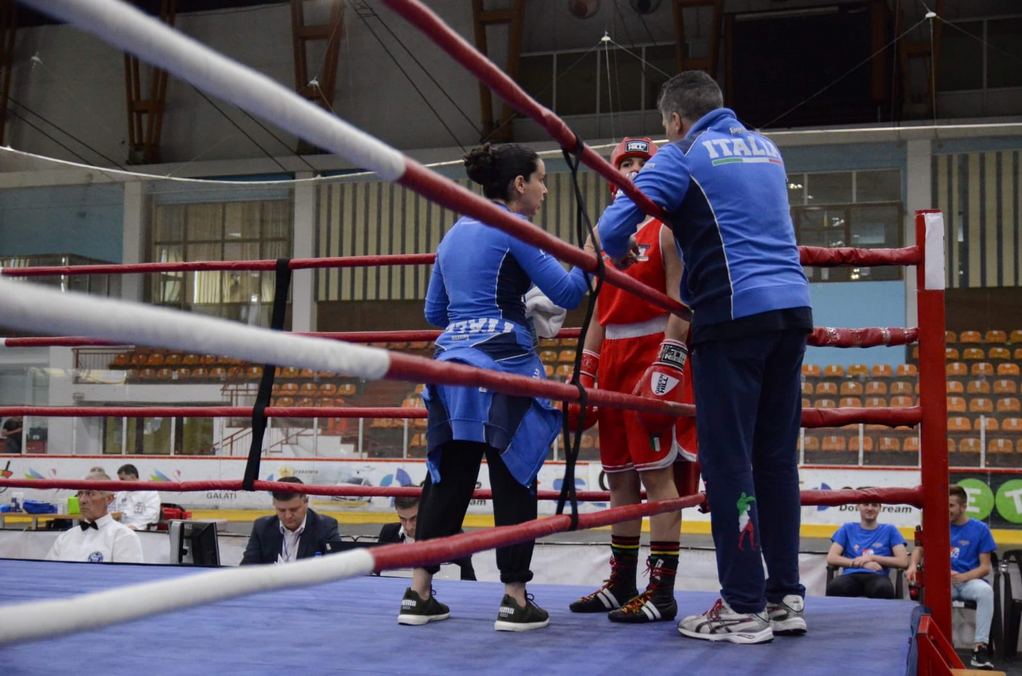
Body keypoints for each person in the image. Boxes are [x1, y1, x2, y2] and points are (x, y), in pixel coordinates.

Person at [597, 70, 813, 644]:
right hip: (792, 313)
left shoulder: (683, 152)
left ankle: (742, 606)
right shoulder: (765, 150)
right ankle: (784, 596)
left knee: (729, 463)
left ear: (673, 119)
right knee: (774, 461)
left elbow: (614, 232)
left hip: (732, 319)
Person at [400, 142, 590, 632]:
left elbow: (433, 314)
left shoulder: (452, 234)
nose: (546, 189)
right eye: (541, 179)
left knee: (449, 476)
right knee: (514, 471)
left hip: (451, 367)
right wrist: (589, 258)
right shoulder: (514, 227)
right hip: (504, 363)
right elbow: (568, 293)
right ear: (518, 184)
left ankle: (418, 591)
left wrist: (476, 318)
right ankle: (514, 598)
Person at [567, 137, 699, 624]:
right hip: (613, 359)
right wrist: (587, 362)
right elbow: (598, 311)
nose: (638, 170)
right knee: (619, 477)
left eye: (645, 163)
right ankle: (622, 581)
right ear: (615, 178)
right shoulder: (604, 236)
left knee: (656, 475)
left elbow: (681, 300)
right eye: (628, 164)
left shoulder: (668, 229)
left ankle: (661, 592)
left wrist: (669, 359)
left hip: (651, 354)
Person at [906, 485, 997, 670]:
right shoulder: (936, 526)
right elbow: (919, 550)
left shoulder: (980, 529)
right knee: (928, 594)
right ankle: (941, 647)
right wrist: (912, 566)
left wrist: (962, 577)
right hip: (942, 583)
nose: (946, 510)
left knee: (986, 591)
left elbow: (985, 568)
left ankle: (979, 649)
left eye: (951, 505)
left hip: (968, 581)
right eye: (944, 505)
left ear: (963, 507)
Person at [241, 477, 345, 565]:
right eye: (281, 510)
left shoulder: (326, 527)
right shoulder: (262, 527)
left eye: (294, 510)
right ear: (274, 504)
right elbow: (247, 567)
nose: (288, 516)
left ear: (306, 502)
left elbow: (337, 567)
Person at [45, 470, 144, 563]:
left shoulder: (124, 537)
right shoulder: (65, 538)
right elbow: (48, 573)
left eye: (90, 494)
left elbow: (128, 578)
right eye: (80, 494)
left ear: (108, 499)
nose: (82, 500)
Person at [378, 495, 476, 581]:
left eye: (414, 518)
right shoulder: (388, 532)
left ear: (426, 511)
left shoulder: (452, 536)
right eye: (402, 519)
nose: (408, 526)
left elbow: (468, 580)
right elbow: (377, 575)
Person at [826, 501, 908, 599]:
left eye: (874, 505)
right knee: (835, 587)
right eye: (865, 504)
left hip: (877, 577)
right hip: (850, 575)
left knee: (883, 589)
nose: (870, 508)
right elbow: (831, 558)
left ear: (880, 508)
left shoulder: (890, 530)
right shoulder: (847, 528)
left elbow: (903, 561)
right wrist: (862, 563)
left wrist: (872, 558)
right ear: (857, 506)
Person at [114, 463, 161, 531]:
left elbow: (152, 514)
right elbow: (116, 512)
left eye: (122, 479)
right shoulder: (120, 493)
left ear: (133, 477)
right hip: (121, 529)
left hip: (142, 530)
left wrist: (135, 526)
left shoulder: (150, 492)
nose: (120, 482)